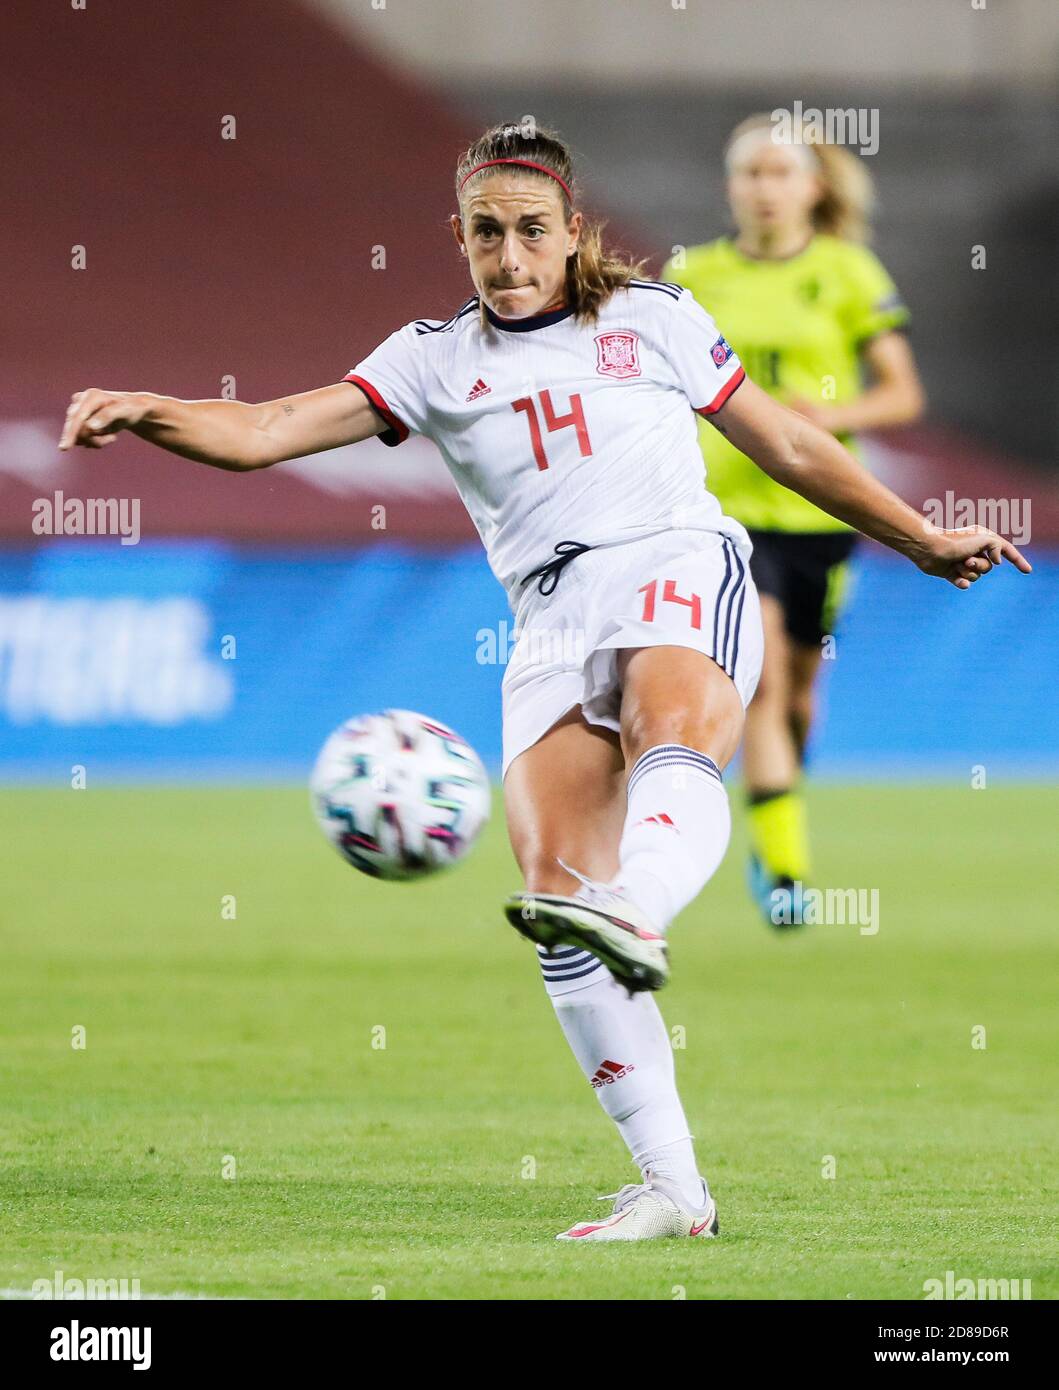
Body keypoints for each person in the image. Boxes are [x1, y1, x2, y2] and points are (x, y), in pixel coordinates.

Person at [59, 122, 1028, 1243]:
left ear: (573, 234)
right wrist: (150, 413)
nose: (509, 258)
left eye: (530, 232)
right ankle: (674, 1188)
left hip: (675, 555)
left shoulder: (654, 320)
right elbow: (266, 429)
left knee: (673, 726)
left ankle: (644, 902)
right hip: (552, 616)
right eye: (485, 235)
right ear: (460, 241)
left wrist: (917, 538)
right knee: (556, 894)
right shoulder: (431, 359)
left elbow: (791, 448)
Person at [665, 113, 927, 928]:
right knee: (765, 678)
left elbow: (903, 395)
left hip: (818, 509)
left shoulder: (846, 272)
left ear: (812, 187)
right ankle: (785, 874)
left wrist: (824, 414)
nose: (764, 188)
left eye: (781, 173)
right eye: (750, 174)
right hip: (725, 516)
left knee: (800, 692)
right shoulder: (692, 272)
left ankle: (779, 802)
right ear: (729, 187)